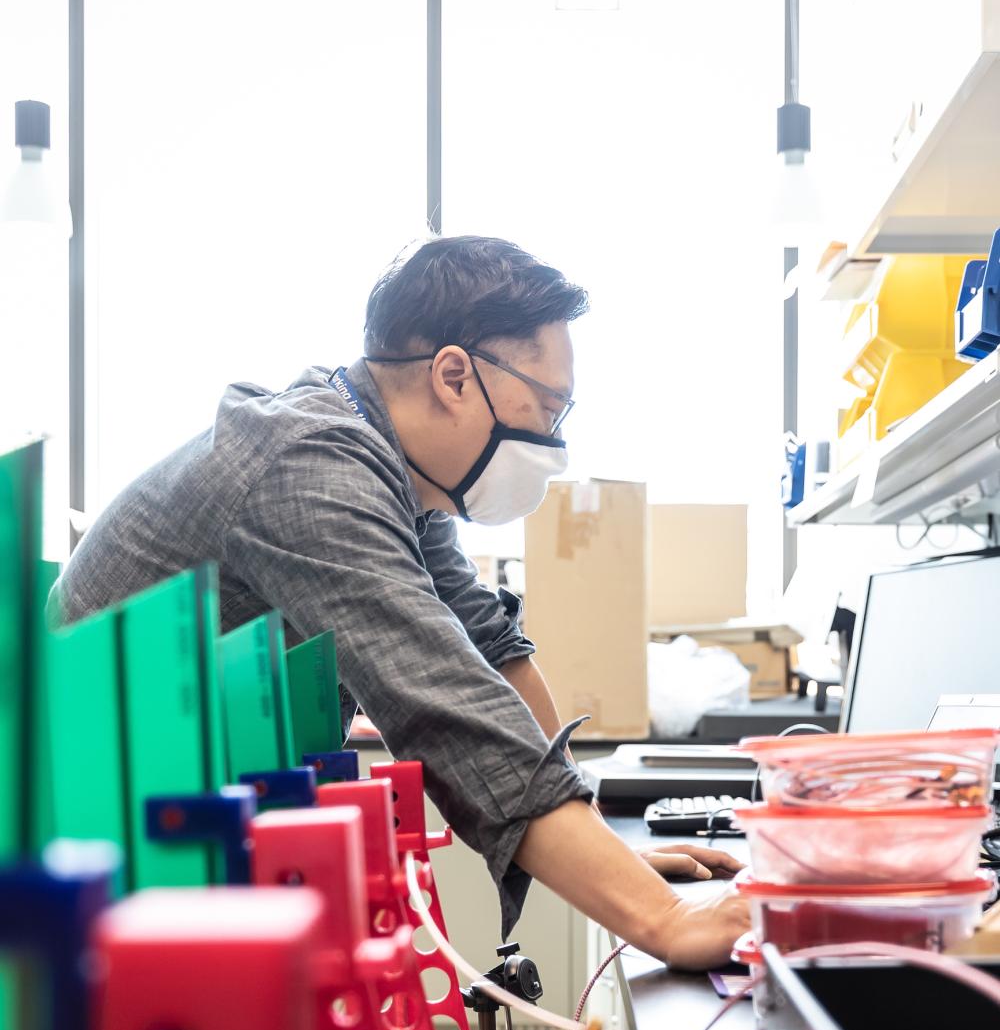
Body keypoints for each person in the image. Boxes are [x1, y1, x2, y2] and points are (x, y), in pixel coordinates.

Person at [52, 234, 748, 972]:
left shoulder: (386, 465)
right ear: (454, 376)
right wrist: (663, 918)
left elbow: (488, 650)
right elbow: (446, 703)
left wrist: (610, 854)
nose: (553, 438)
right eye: (548, 406)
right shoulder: (309, 465)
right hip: (83, 853)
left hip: (172, 828)